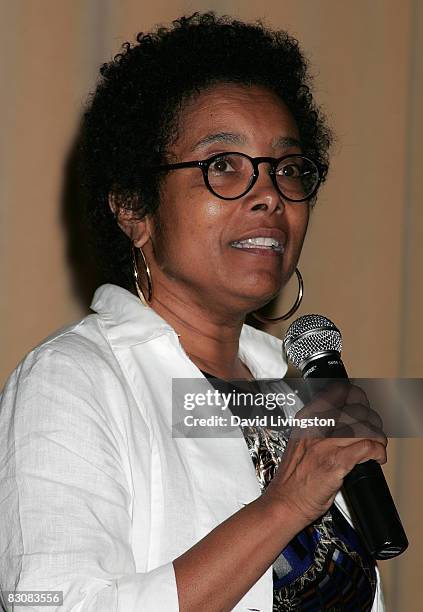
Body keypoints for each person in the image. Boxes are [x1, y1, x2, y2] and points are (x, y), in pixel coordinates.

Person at [0, 12, 387, 612]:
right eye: (222, 165)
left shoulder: (292, 385)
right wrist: (282, 507)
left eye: (286, 169)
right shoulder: (72, 381)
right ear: (134, 208)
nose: (269, 194)